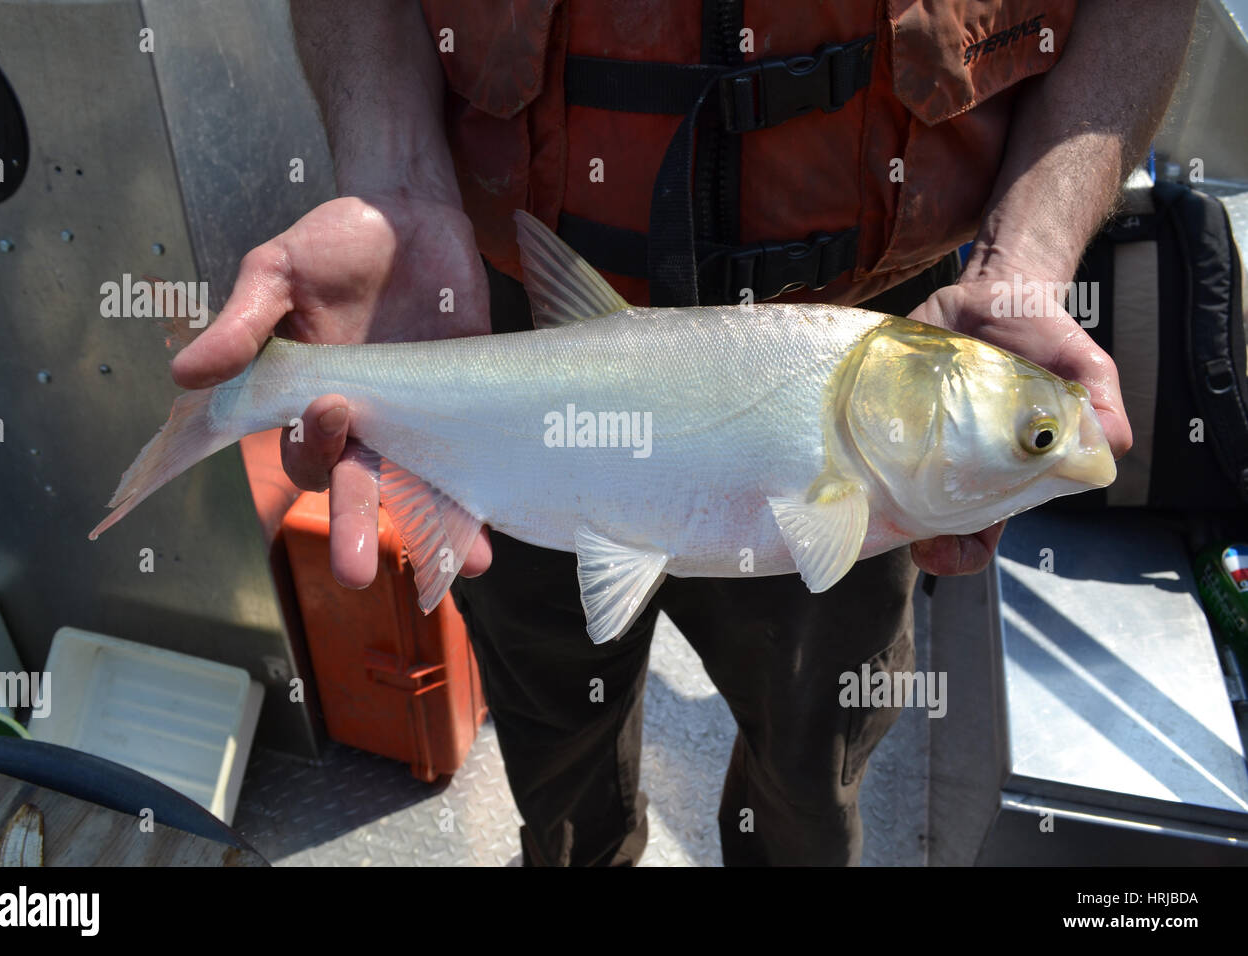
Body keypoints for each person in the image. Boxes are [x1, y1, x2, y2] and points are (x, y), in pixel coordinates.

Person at [173, 0, 1195, 865]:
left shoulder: (897, 432)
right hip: (479, 301)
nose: (1050, 456)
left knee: (811, 755)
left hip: (892, 307)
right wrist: (390, 177)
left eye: (1028, 443)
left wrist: (1022, 260)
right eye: (1030, 440)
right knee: (553, 727)